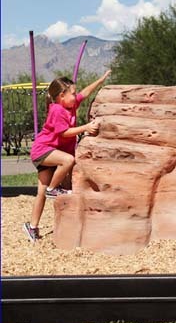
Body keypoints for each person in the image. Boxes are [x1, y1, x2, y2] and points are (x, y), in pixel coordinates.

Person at [23, 70, 111, 242]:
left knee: (40, 193)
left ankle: (32, 227)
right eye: (72, 93)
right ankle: (52, 189)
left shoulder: (70, 105)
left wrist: (100, 79)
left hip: (50, 152)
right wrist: (85, 127)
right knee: (68, 161)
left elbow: (85, 93)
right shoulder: (57, 110)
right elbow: (64, 133)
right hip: (43, 150)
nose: (76, 96)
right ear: (62, 96)